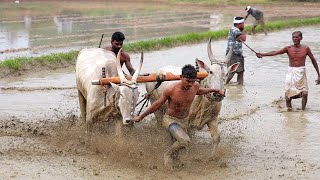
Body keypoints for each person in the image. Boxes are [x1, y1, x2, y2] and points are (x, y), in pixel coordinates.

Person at [132, 64, 225, 169]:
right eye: (187, 81)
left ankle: (175, 161)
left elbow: (200, 91)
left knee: (178, 144)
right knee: (186, 141)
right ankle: (167, 154)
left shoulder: (194, 86)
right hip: (171, 120)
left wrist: (215, 90)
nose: (190, 84)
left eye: (192, 81)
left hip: (184, 121)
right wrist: (141, 116)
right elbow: (157, 104)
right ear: (181, 77)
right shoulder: (171, 89)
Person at [256, 31, 320, 111]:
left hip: (301, 71)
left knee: (305, 94)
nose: (295, 39)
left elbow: (313, 60)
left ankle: (303, 111)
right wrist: (262, 54)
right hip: (291, 72)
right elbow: (275, 52)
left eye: (297, 37)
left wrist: (319, 75)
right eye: (293, 37)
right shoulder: (288, 48)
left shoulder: (306, 48)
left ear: (301, 38)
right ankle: (289, 109)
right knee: (288, 94)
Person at [225, 16, 246, 85]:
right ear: (240, 24)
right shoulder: (235, 30)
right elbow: (244, 38)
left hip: (237, 54)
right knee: (231, 72)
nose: (244, 24)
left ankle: (240, 86)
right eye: (243, 23)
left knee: (240, 71)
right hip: (233, 54)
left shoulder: (235, 29)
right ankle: (224, 84)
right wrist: (243, 29)